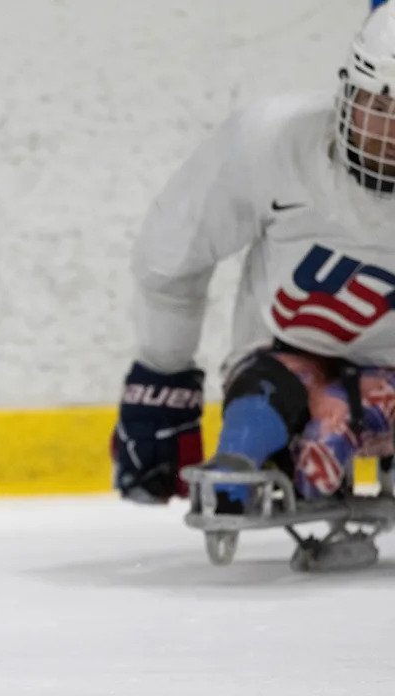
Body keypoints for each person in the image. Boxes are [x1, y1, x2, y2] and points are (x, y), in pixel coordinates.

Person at [112, 5, 395, 536]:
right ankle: (267, 433)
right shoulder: (270, 142)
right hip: (281, 356)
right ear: (347, 90)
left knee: (335, 421)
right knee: (252, 425)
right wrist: (161, 379)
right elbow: (170, 256)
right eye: (379, 105)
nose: (390, 132)